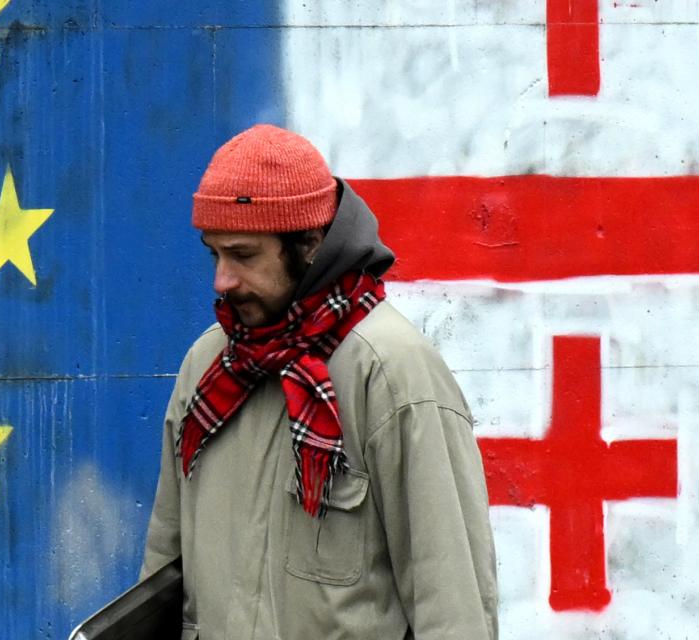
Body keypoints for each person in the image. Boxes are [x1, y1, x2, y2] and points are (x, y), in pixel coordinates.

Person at [140, 124, 498, 638]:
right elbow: (163, 578)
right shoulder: (209, 367)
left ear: (309, 244)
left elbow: (454, 606)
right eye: (213, 254)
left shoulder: (393, 374)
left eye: (243, 255)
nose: (221, 280)